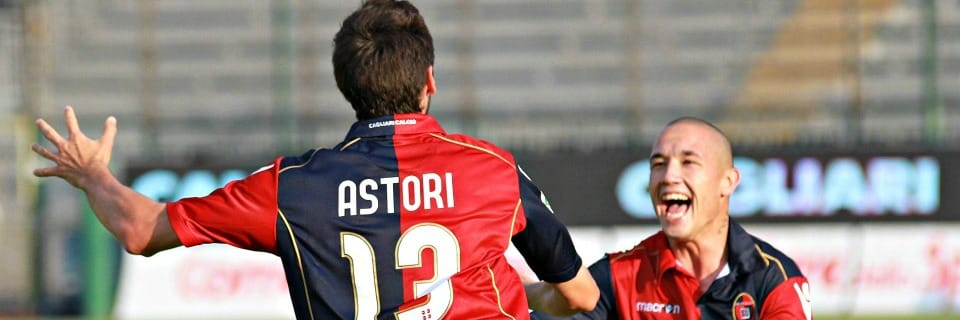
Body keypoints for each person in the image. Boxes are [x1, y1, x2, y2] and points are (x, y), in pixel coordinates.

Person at [30, 1, 598, 319]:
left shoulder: (294, 187)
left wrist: (91, 173)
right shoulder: (492, 168)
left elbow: (137, 230)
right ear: (429, 82)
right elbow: (580, 294)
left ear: (345, 86)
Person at [526, 117, 811, 320]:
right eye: (658, 165)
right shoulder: (621, 276)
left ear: (727, 182)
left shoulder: (774, 279)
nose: (669, 177)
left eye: (688, 162)